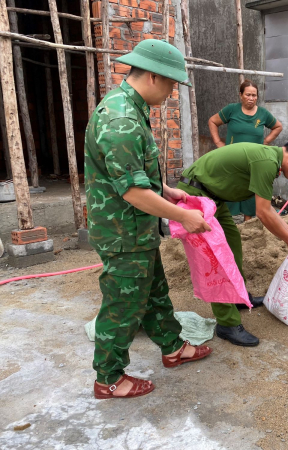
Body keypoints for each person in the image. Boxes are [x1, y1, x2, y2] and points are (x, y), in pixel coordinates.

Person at [84, 39, 213, 400]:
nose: (172, 93)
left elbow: (135, 175)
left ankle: (173, 347)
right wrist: (184, 217)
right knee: (124, 304)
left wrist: (167, 191)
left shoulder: (131, 107)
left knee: (155, 291)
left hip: (136, 229)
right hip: (122, 230)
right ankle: (109, 378)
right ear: (154, 77)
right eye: (172, 85)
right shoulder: (122, 117)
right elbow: (132, 193)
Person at [177, 133, 288, 347]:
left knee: (232, 243)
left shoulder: (270, 159)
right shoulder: (266, 162)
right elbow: (264, 212)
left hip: (213, 199)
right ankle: (227, 324)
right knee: (215, 261)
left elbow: (268, 212)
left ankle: (238, 296)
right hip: (195, 195)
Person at [208, 80, 283, 222]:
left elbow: (278, 126)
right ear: (240, 95)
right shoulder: (232, 110)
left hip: (253, 161)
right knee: (229, 187)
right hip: (231, 159)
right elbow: (212, 121)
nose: (251, 98)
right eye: (248, 95)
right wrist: (218, 142)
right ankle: (228, 222)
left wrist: (265, 142)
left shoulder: (263, 114)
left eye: (254, 95)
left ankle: (248, 224)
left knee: (251, 190)